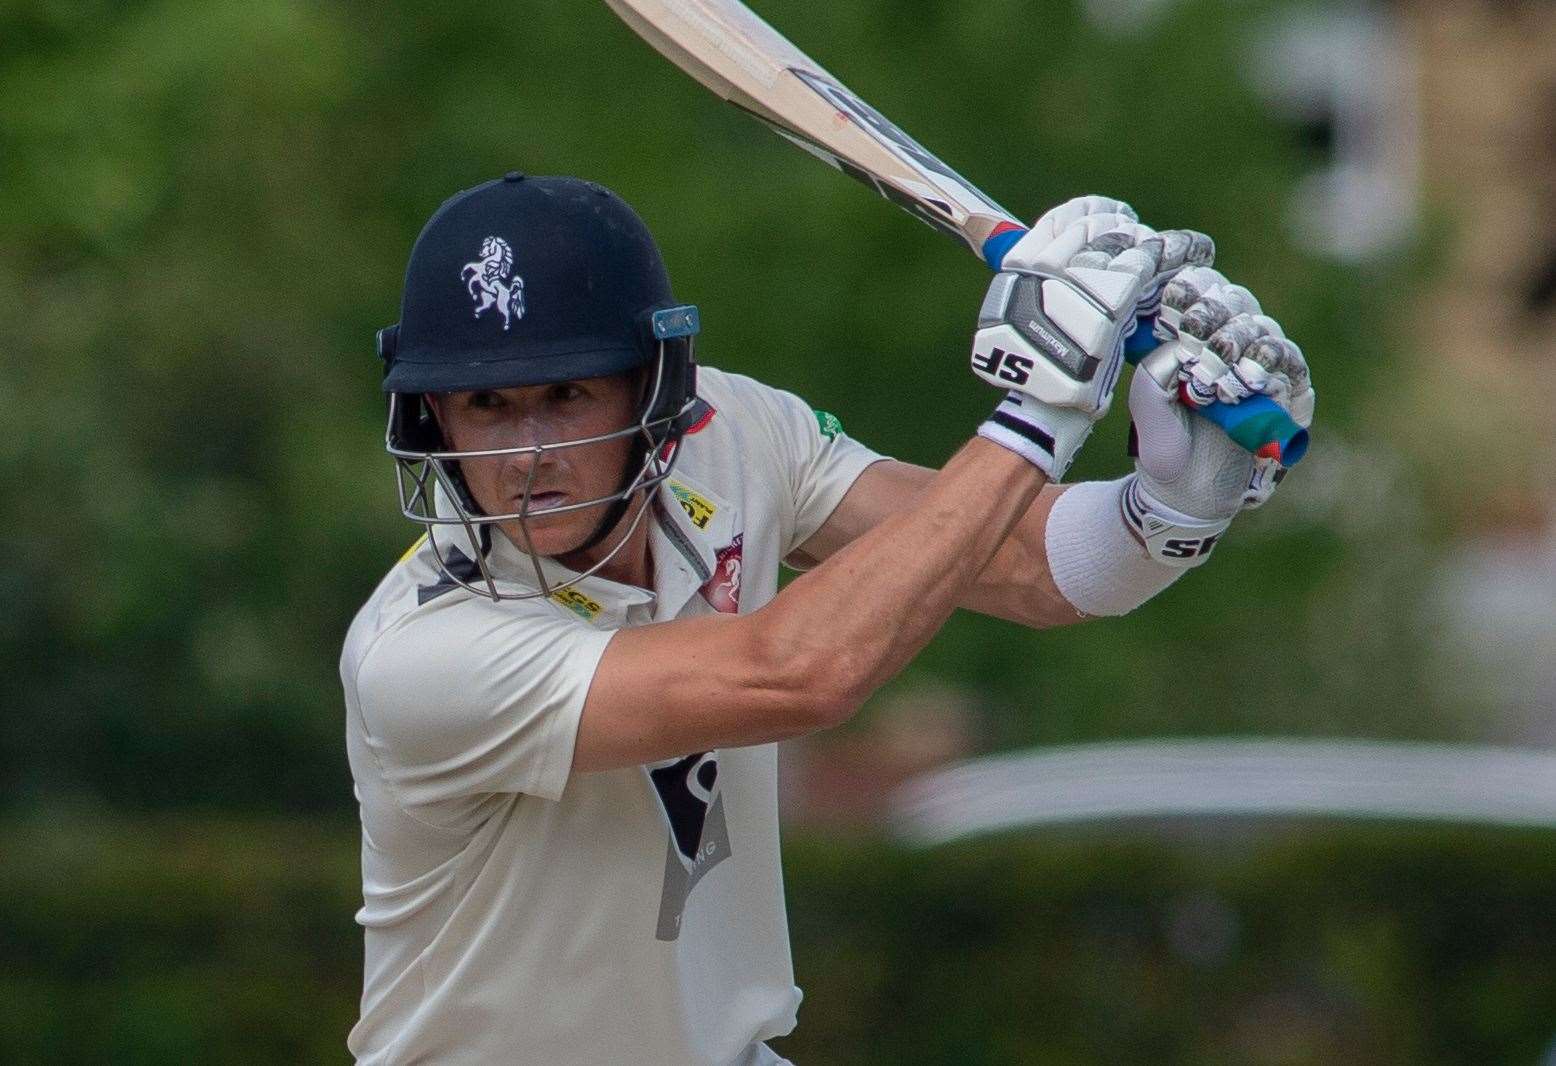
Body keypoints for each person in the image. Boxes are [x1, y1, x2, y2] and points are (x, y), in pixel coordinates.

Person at [340, 173, 1314, 1065]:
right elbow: (798, 670)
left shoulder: (735, 436)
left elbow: (1011, 560)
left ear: (654, 384)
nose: (530, 452)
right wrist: (1039, 408)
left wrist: (1173, 507)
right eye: (486, 404)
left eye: (567, 391)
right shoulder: (421, 655)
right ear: (430, 418)